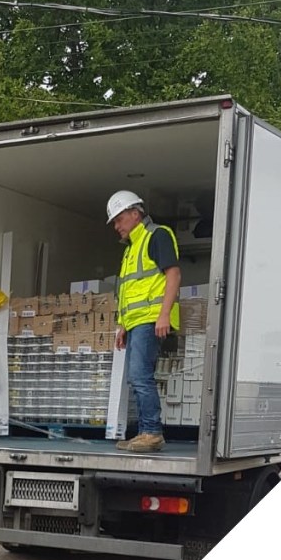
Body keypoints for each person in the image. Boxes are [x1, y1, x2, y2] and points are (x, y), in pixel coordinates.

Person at [107, 190, 181, 453]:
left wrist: (164, 314)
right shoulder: (131, 248)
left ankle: (151, 432)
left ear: (134, 214)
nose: (117, 227)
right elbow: (130, 290)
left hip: (151, 319)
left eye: (119, 220)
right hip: (137, 322)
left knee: (141, 376)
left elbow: (173, 275)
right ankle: (144, 432)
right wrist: (123, 324)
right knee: (136, 378)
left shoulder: (156, 235)